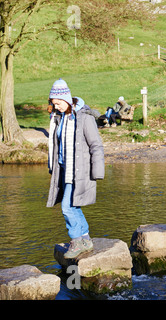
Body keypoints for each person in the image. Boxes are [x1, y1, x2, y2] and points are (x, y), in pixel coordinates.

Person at [46, 79, 105, 259]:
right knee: (74, 205)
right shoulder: (58, 117)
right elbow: (56, 145)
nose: (57, 107)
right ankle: (86, 238)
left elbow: (96, 145)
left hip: (79, 171)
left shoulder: (84, 118)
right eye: (54, 104)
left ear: (66, 98)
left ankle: (76, 241)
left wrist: (98, 171)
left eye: (59, 103)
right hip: (64, 169)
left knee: (67, 207)